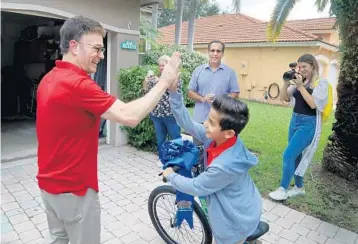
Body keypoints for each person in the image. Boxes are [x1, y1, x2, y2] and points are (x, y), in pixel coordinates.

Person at [36, 16, 181, 244]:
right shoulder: (77, 84)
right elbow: (129, 116)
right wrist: (164, 82)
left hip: (49, 187)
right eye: (96, 48)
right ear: (74, 46)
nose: (101, 55)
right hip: (75, 191)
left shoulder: (49, 79)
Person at [162, 81, 262, 244]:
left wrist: (170, 175)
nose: (205, 125)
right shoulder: (220, 139)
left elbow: (195, 186)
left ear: (229, 132)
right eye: (208, 119)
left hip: (236, 221)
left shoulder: (224, 166)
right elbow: (186, 123)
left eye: (212, 123)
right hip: (244, 204)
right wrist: (174, 92)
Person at [269, 54, 329, 201]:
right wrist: (285, 83)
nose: (301, 70)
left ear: (313, 66)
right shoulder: (298, 82)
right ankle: (299, 188)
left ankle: (283, 189)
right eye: (299, 67)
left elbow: (313, 104)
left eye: (304, 67)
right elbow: (284, 98)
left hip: (308, 124)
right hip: (295, 120)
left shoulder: (320, 83)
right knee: (296, 155)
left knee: (288, 155)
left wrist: (301, 86)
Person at [188, 40, 240, 126]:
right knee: (198, 140)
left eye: (218, 51)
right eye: (212, 50)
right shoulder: (198, 71)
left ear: (222, 54)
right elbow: (190, 92)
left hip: (220, 119)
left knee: (219, 140)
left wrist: (221, 101)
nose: (215, 53)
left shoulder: (230, 73)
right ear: (208, 52)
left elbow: (235, 93)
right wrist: (203, 98)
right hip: (200, 119)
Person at [143, 55, 182, 161]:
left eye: (163, 65)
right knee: (160, 139)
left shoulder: (175, 78)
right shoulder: (155, 79)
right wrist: (146, 82)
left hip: (171, 115)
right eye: (159, 65)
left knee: (176, 138)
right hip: (157, 115)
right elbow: (146, 93)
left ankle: (178, 160)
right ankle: (162, 159)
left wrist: (158, 81)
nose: (161, 67)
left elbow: (172, 89)